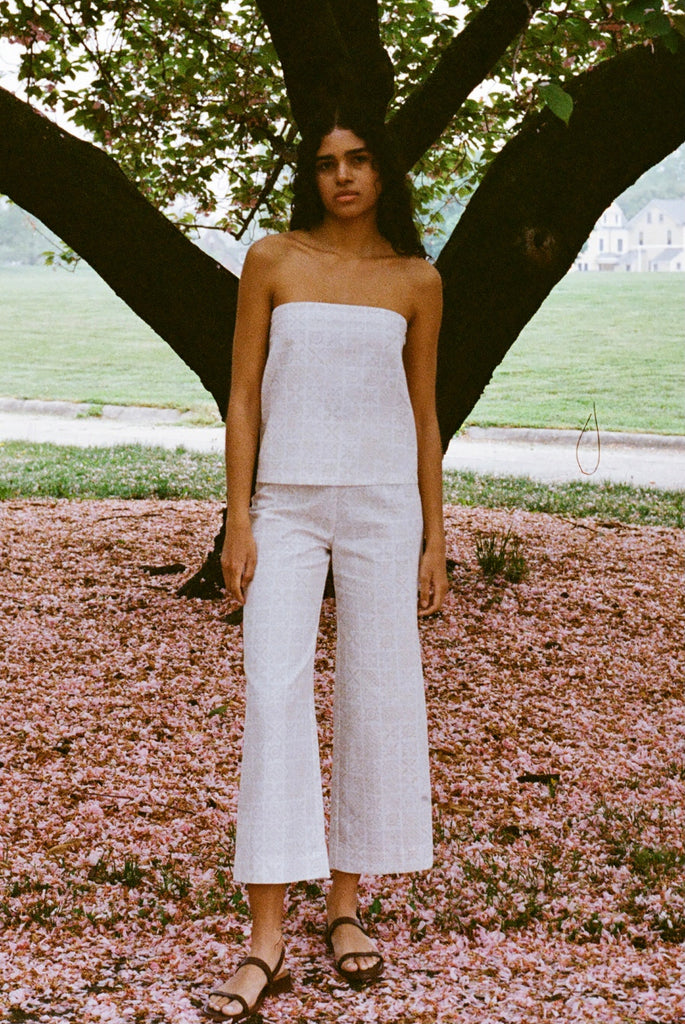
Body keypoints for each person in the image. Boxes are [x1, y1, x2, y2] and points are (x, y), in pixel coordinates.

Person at [204, 111, 447, 1022]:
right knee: (273, 694)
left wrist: (432, 534)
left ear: (384, 173)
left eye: (358, 161)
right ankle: (265, 934)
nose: (341, 176)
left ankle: (343, 907)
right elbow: (241, 394)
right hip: (287, 506)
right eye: (326, 164)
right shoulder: (273, 259)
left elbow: (423, 414)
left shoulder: (415, 279)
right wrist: (238, 519)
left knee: (373, 694)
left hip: (385, 505)